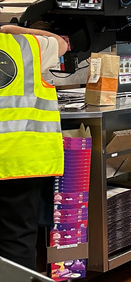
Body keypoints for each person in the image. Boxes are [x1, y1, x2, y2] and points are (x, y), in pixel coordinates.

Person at [0, 24, 67, 269]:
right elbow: (62, 43)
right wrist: (10, 28)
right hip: (20, 160)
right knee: (17, 238)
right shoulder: (29, 45)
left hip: (21, 161)